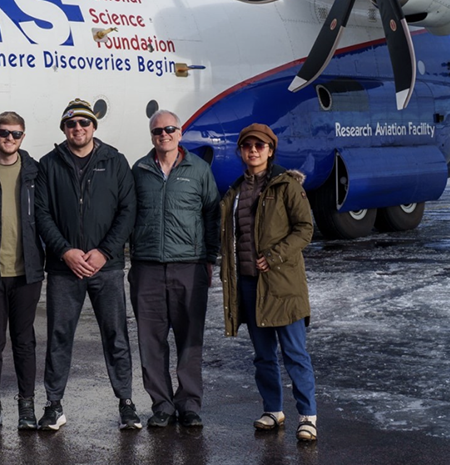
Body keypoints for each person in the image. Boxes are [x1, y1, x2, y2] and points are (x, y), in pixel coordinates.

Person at [34, 98, 140, 431]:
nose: (77, 128)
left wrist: (105, 252)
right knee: (59, 336)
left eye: (84, 123)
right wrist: (65, 251)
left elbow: (128, 210)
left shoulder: (115, 161)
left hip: (105, 268)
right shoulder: (49, 164)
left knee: (116, 335)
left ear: (94, 126)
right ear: (64, 129)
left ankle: (126, 403)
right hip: (64, 268)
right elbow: (42, 213)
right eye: (71, 124)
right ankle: (53, 405)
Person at [219, 123, 318, 442]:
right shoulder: (235, 191)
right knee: (263, 355)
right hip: (250, 284)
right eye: (247, 146)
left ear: (270, 150)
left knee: (294, 353)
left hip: (283, 284)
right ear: (241, 151)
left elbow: (305, 229)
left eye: (259, 146)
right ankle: (273, 410)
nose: (253, 151)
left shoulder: (286, 185)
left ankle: (308, 416)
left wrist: (274, 256)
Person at [129, 110, 220, 429]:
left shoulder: (199, 170)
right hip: (147, 267)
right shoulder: (139, 170)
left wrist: (210, 257)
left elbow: (212, 214)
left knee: (189, 339)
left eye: (169, 129)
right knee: (150, 341)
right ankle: (162, 405)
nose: (163, 135)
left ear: (180, 133)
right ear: (151, 136)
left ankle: (189, 404)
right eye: (157, 131)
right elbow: (127, 213)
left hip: (189, 266)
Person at [0, 111, 45, 432]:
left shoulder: (34, 171)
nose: (9, 138)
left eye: (15, 134)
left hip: (27, 272)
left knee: (24, 342)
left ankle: (26, 406)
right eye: (4, 132)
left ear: (23, 137)